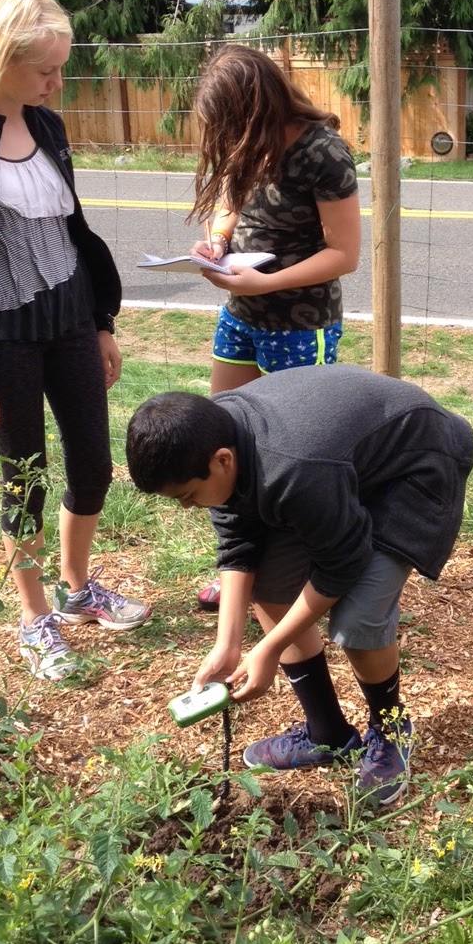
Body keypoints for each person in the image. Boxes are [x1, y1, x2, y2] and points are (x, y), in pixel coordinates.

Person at [0, 0, 151, 681]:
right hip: (2, 342)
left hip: (71, 322)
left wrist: (102, 322)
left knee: (93, 468)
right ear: (1, 57)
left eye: (60, 66)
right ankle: (34, 617)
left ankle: (79, 592)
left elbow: (70, 231)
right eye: (45, 68)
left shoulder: (46, 125)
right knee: (26, 483)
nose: (57, 81)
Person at [125, 364, 473, 805]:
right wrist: (228, 644)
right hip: (338, 469)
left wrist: (267, 650)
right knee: (272, 589)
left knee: (358, 619)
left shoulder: (292, 465)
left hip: (414, 466)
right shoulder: (214, 439)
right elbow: (238, 545)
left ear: (223, 460)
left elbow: (340, 567)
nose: (188, 508)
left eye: (187, 496)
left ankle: (388, 728)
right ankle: (327, 733)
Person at [186, 44, 361, 610]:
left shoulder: (322, 151)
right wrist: (217, 241)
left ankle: (315, 566)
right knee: (222, 437)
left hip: (298, 320)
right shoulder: (246, 142)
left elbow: (344, 254)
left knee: (293, 448)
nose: (229, 137)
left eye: (234, 124)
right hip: (240, 313)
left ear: (258, 106)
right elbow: (229, 207)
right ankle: (240, 565)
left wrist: (266, 282)